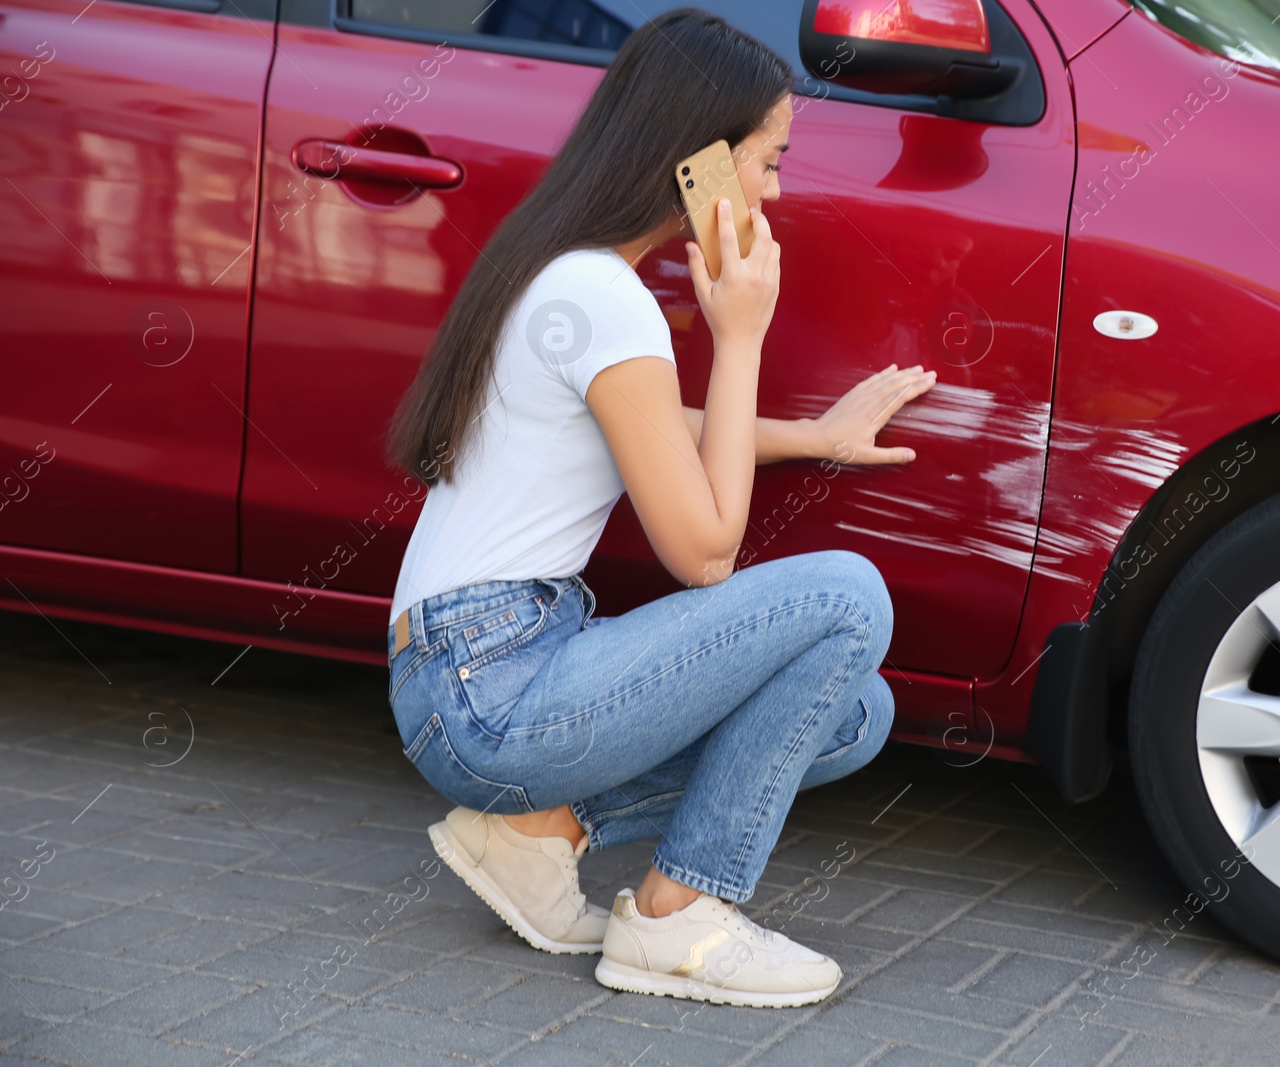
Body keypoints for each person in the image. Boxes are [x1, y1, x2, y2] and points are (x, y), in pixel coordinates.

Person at [383, 8, 937, 1008]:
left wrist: (816, 437)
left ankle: (536, 831)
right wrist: (740, 332)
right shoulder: (604, 294)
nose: (772, 189)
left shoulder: (571, 269)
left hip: (479, 669)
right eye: (765, 161)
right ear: (701, 163)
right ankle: (679, 913)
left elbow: (652, 420)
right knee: (848, 597)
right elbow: (703, 554)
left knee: (851, 715)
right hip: (491, 683)